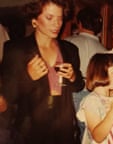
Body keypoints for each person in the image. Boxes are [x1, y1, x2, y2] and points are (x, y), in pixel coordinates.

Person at [1, 0, 85, 143]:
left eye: (60, 18)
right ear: (35, 21)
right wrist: (27, 77)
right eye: (49, 18)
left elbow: (79, 86)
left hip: (63, 128)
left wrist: (73, 77)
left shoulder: (70, 50)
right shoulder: (15, 50)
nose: (57, 24)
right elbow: (7, 96)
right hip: (30, 130)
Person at [76, 53, 113, 143]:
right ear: (101, 74)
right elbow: (97, 137)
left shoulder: (110, 96)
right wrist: (112, 113)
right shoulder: (91, 101)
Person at [65, 7, 106, 110]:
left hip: (73, 94)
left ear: (79, 23)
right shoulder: (105, 51)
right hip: (95, 97)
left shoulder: (68, 42)